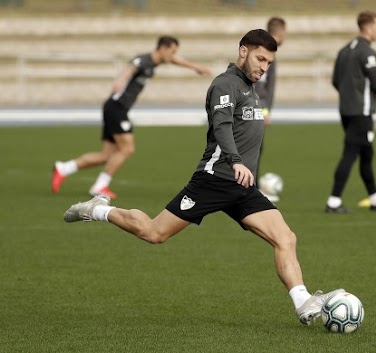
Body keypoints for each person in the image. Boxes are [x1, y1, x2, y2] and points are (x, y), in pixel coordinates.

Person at [63, 29, 344, 325]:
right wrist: (235, 160)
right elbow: (221, 126)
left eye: (270, 63)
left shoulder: (250, 87)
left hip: (242, 187)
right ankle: (99, 209)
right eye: (261, 58)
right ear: (243, 51)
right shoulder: (225, 85)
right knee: (153, 233)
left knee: (286, 238)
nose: (264, 67)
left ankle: (303, 303)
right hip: (214, 180)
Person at [51, 35, 212, 199]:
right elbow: (131, 67)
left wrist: (195, 67)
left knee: (106, 155)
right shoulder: (144, 60)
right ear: (162, 48)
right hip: (117, 108)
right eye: (172, 52)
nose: (173, 56)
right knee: (127, 149)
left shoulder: (157, 61)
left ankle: (64, 168)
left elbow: (175, 60)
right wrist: (120, 81)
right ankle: (100, 186)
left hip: (114, 108)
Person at [325, 10, 376, 214]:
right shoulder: (367, 52)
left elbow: (335, 81)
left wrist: (349, 95)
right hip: (362, 112)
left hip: (346, 110)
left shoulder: (344, 50)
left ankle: (375, 198)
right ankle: (333, 202)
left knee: (366, 153)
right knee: (350, 153)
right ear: (367, 27)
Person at [255, 17, 287, 202]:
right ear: (279, 33)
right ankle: (251, 189)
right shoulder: (263, 54)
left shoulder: (268, 53)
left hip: (258, 108)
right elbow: (259, 86)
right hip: (254, 109)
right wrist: (263, 111)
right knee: (253, 147)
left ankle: (252, 187)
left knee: (255, 147)